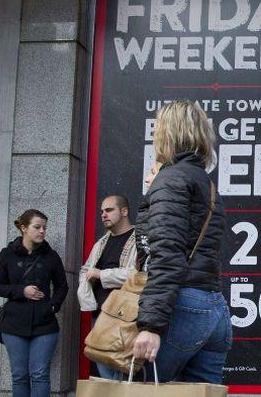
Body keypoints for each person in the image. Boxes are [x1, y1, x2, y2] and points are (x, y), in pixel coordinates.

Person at [131, 100, 231, 383]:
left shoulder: (171, 179)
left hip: (182, 306)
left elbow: (167, 254)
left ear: (165, 133)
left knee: (140, 387)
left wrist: (151, 325)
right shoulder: (204, 181)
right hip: (213, 307)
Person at [0, 209, 68, 397]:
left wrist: (52, 306)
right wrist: (21, 291)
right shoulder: (7, 254)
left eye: (44, 228)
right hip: (13, 324)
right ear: (24, 228)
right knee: (19, 376)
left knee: (40, 374)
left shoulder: (51, 256)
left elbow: (62, 287)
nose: (42, 231)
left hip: (44, 324)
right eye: (37, 227)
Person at [78, 194, 138, 379]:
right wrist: (86, 290)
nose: (103, 215)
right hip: (101, 316)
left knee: (122, 373)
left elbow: (138, 276)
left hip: (125, 317)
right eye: (102, 211)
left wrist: (101, 274)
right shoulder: (101, 243)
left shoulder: (139, 240)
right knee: (105, 377)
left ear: (124, 211)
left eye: (109, 210)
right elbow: (85, 270)